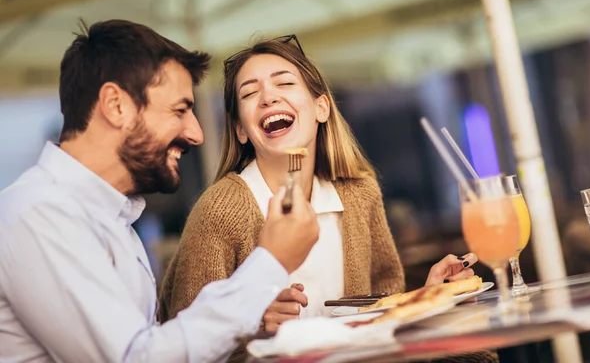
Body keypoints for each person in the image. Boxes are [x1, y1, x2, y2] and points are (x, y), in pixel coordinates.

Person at [0, 20, 321, 363]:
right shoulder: (39, 213)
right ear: (116, 105)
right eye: (180, 110)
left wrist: (252, 315)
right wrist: (270, 262)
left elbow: (158, 343)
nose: (196, 133)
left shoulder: (111, 217)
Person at [158, 35, 487, 362]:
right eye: (249, 92)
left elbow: (383, 311)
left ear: (321, 107)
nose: (268, 97)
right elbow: (184, 345)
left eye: (284, 83)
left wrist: (428, 299)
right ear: (241, 129)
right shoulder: (219, 211)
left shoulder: (360, 193)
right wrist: (255, 327)